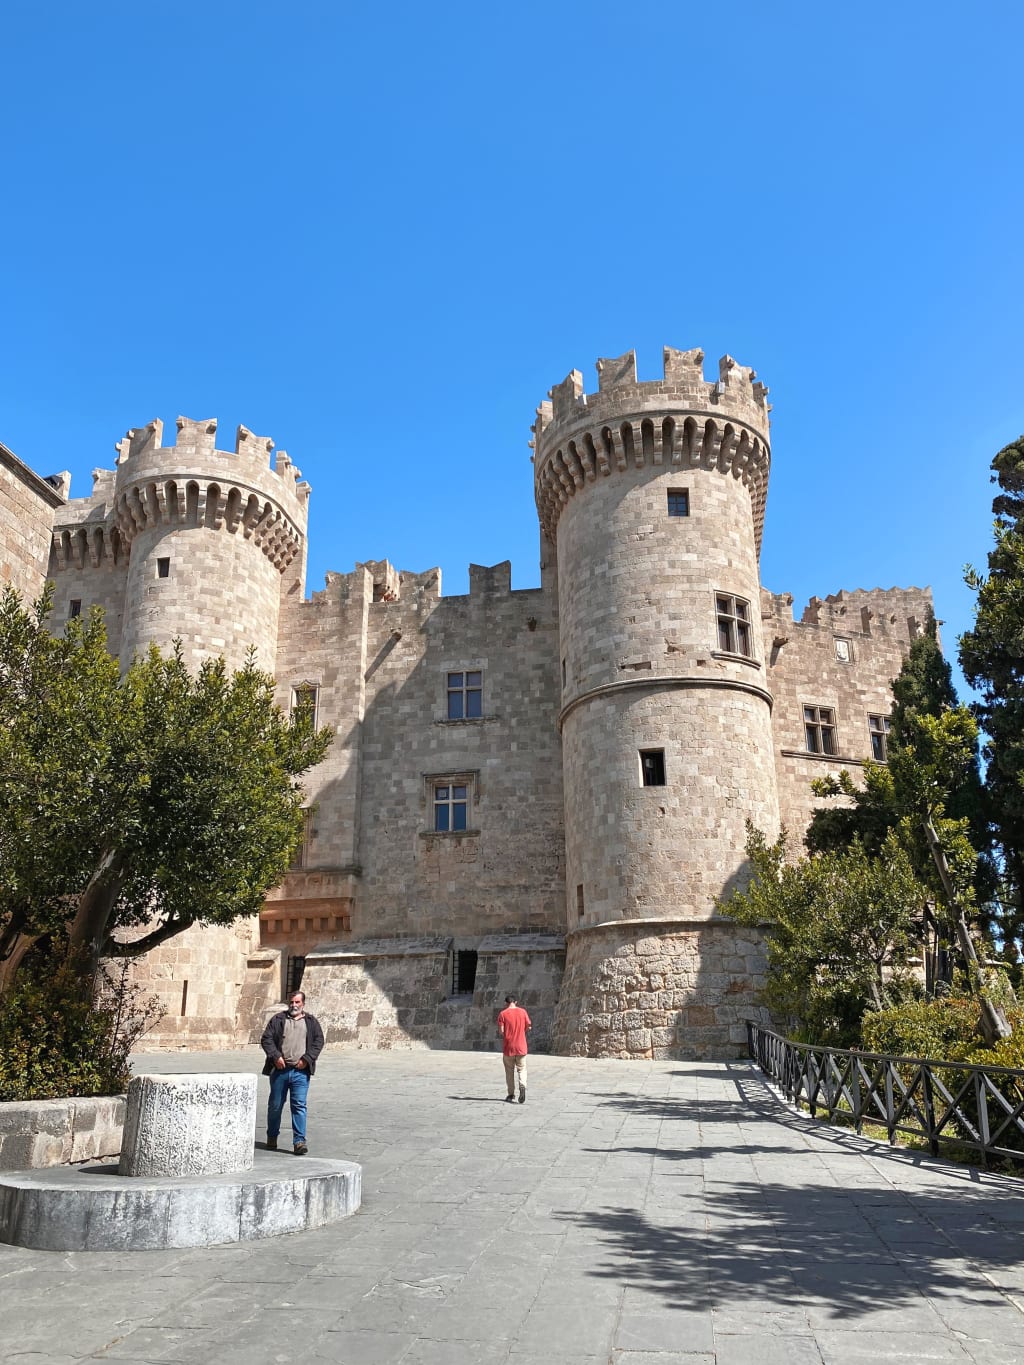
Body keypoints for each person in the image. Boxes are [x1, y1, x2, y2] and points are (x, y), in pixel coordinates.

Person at [260, 989, 325, 1155]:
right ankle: (272, 1136)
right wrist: (275, 1056)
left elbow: (319, 1041)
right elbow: (266, 1039)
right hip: (280, 1070)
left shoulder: (311, 1022)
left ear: (303, 1003)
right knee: (275, 1106)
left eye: (297, 1002)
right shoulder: (278, 1019)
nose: (294, 1005)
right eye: (292, 1002)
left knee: (299, 1105)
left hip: (300, 1072)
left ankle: (299, 1141)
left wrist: (307, 1059)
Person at [497, 993, 532, 1104]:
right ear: (515, 1002)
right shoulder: (523, 1012)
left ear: (506, 1003)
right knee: (522, 1069)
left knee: (509, 1072)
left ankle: (511, 1094)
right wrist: (521, 1031)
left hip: (508, 1047)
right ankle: (522, 1085)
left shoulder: (502, 1014)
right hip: (521, 1045)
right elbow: (529, 1026)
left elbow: (501, 1031)